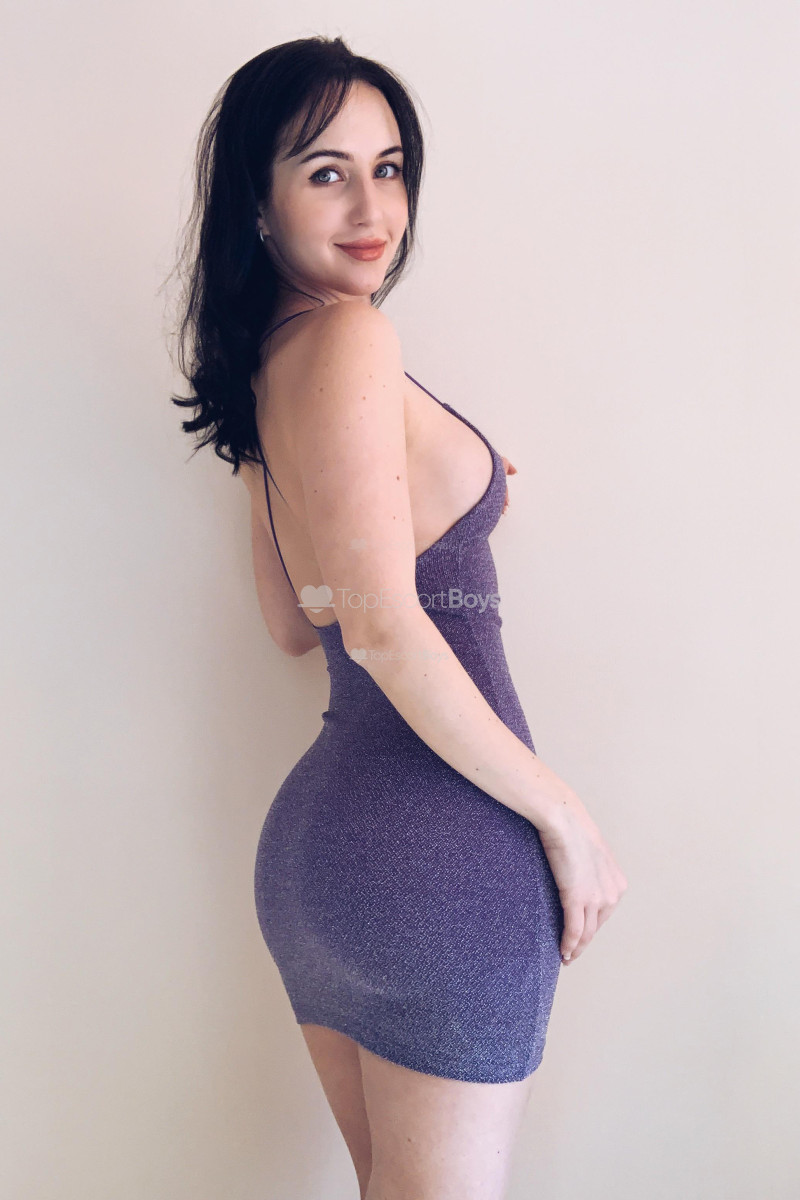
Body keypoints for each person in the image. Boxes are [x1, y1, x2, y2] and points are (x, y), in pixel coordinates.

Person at [169, 34, 627, 1200]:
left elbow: (298, 622)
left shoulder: (273, 370)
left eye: (389, 168)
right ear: (257, 203)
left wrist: (427, 495)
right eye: (325, 172)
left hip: (318, 862)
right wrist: (561, 814)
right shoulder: (350, 338)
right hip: (442, 856)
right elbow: (375, 627)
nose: (373, 207)